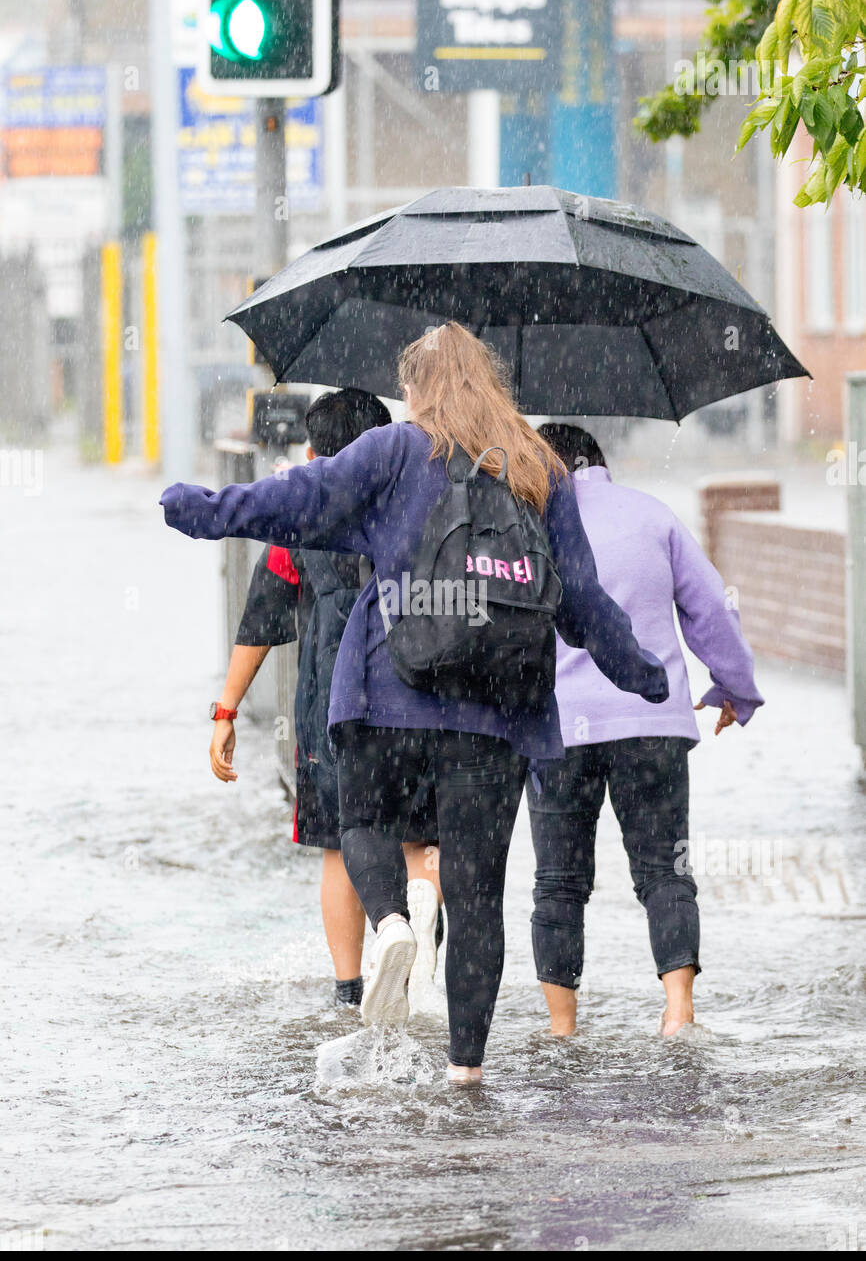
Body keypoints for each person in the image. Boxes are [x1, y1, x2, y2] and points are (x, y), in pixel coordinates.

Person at [161, 323, 669, 1084]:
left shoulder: (395, 450)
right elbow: (583, 602)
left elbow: (296, 501)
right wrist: (644, 674)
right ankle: (467, 1074)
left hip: (388, 696)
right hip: (496, 717)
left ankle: (392, 922)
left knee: (364, 823)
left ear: (417, 388)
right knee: (476, 898)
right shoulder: (538, 466)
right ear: (490, 382)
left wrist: (200, 509)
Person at [207, 388, 442, 1009]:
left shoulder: (300, 520)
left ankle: (349, 989)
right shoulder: (420, 505)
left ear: (315, 452)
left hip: (331, 709)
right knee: (420, 840)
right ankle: (418, 955)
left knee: (341, 844)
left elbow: (261, 617)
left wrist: (227, 709)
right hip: (415, 695)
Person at [528, 423, 764, 1039]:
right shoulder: (652, 515)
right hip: (652, 720)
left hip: (559, 728)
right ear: (599, 463)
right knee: (666, 870)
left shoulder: (528, 527)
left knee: (558, 882)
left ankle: (562, 1029)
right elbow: (712, 606)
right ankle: (679, 1013)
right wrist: (736, 687)